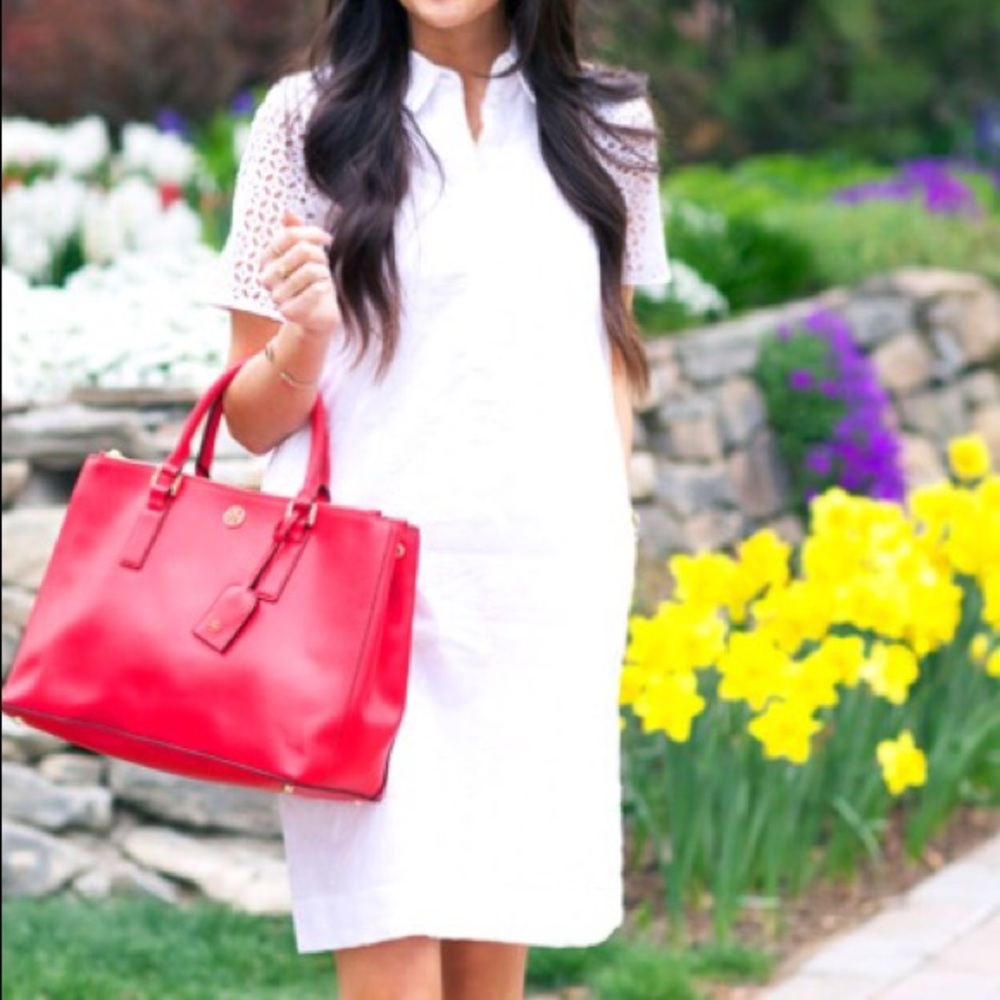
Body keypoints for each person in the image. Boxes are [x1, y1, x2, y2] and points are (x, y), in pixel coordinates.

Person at [217, 0, 669, 996]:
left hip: (534, 597)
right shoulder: (305, 119)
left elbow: (604, 360)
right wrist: (305, 337)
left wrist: (610, 535)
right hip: (358, 607)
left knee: (489, 956)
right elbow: (246, 417)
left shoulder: (611, 125)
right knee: (389, 936)